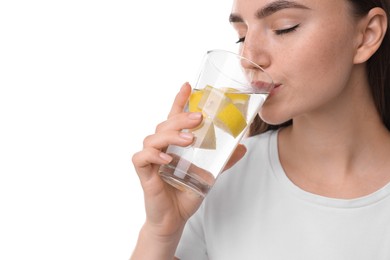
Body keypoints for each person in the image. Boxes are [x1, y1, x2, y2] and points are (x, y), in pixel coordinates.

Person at [131, 0, 390, 259]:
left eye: (284, 28)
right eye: (242, 36)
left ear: (367, 35)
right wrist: (161, 232)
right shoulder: (213, 178)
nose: (249, 58)